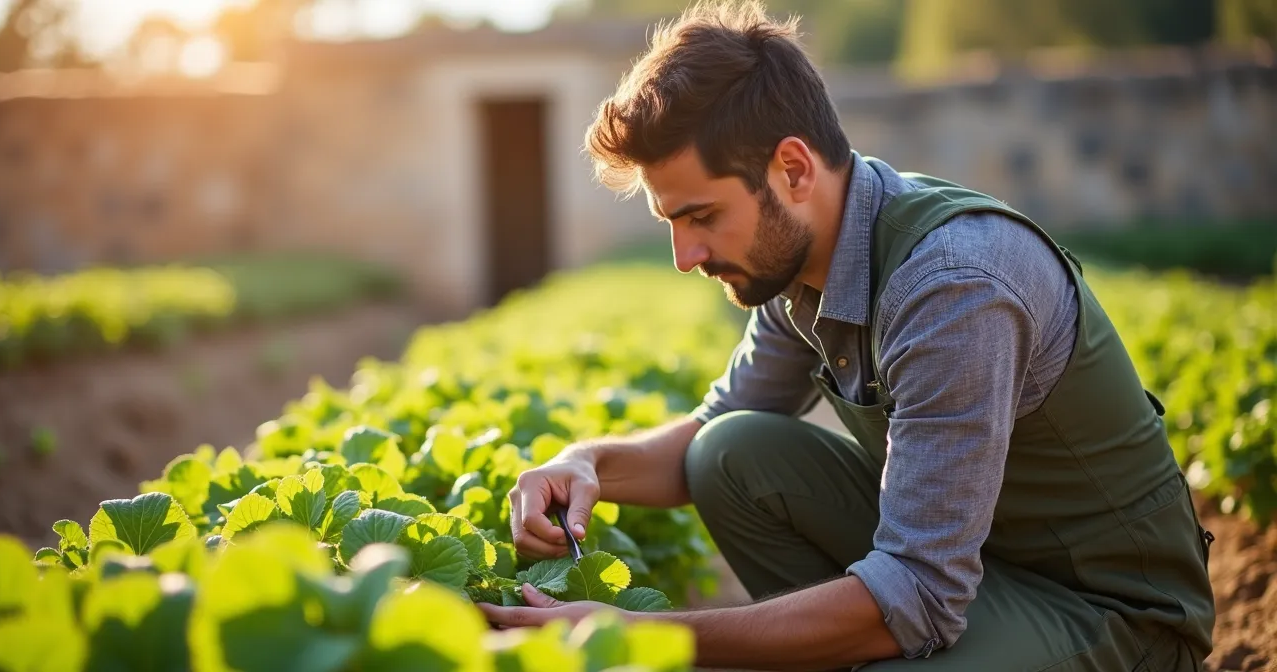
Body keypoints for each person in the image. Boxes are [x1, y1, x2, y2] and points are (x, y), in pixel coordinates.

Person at [475, 1, 1217, 669]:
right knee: (730, 452)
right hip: (986, 571)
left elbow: (922, 590)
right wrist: (586, 465)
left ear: (792, 169)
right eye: (672, 224)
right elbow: (707, 431)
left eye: (701, 217)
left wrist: (645, 633)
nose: (686, 257)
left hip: (1112, 615)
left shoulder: (953, 286)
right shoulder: (800, 259)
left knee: (892, 624)